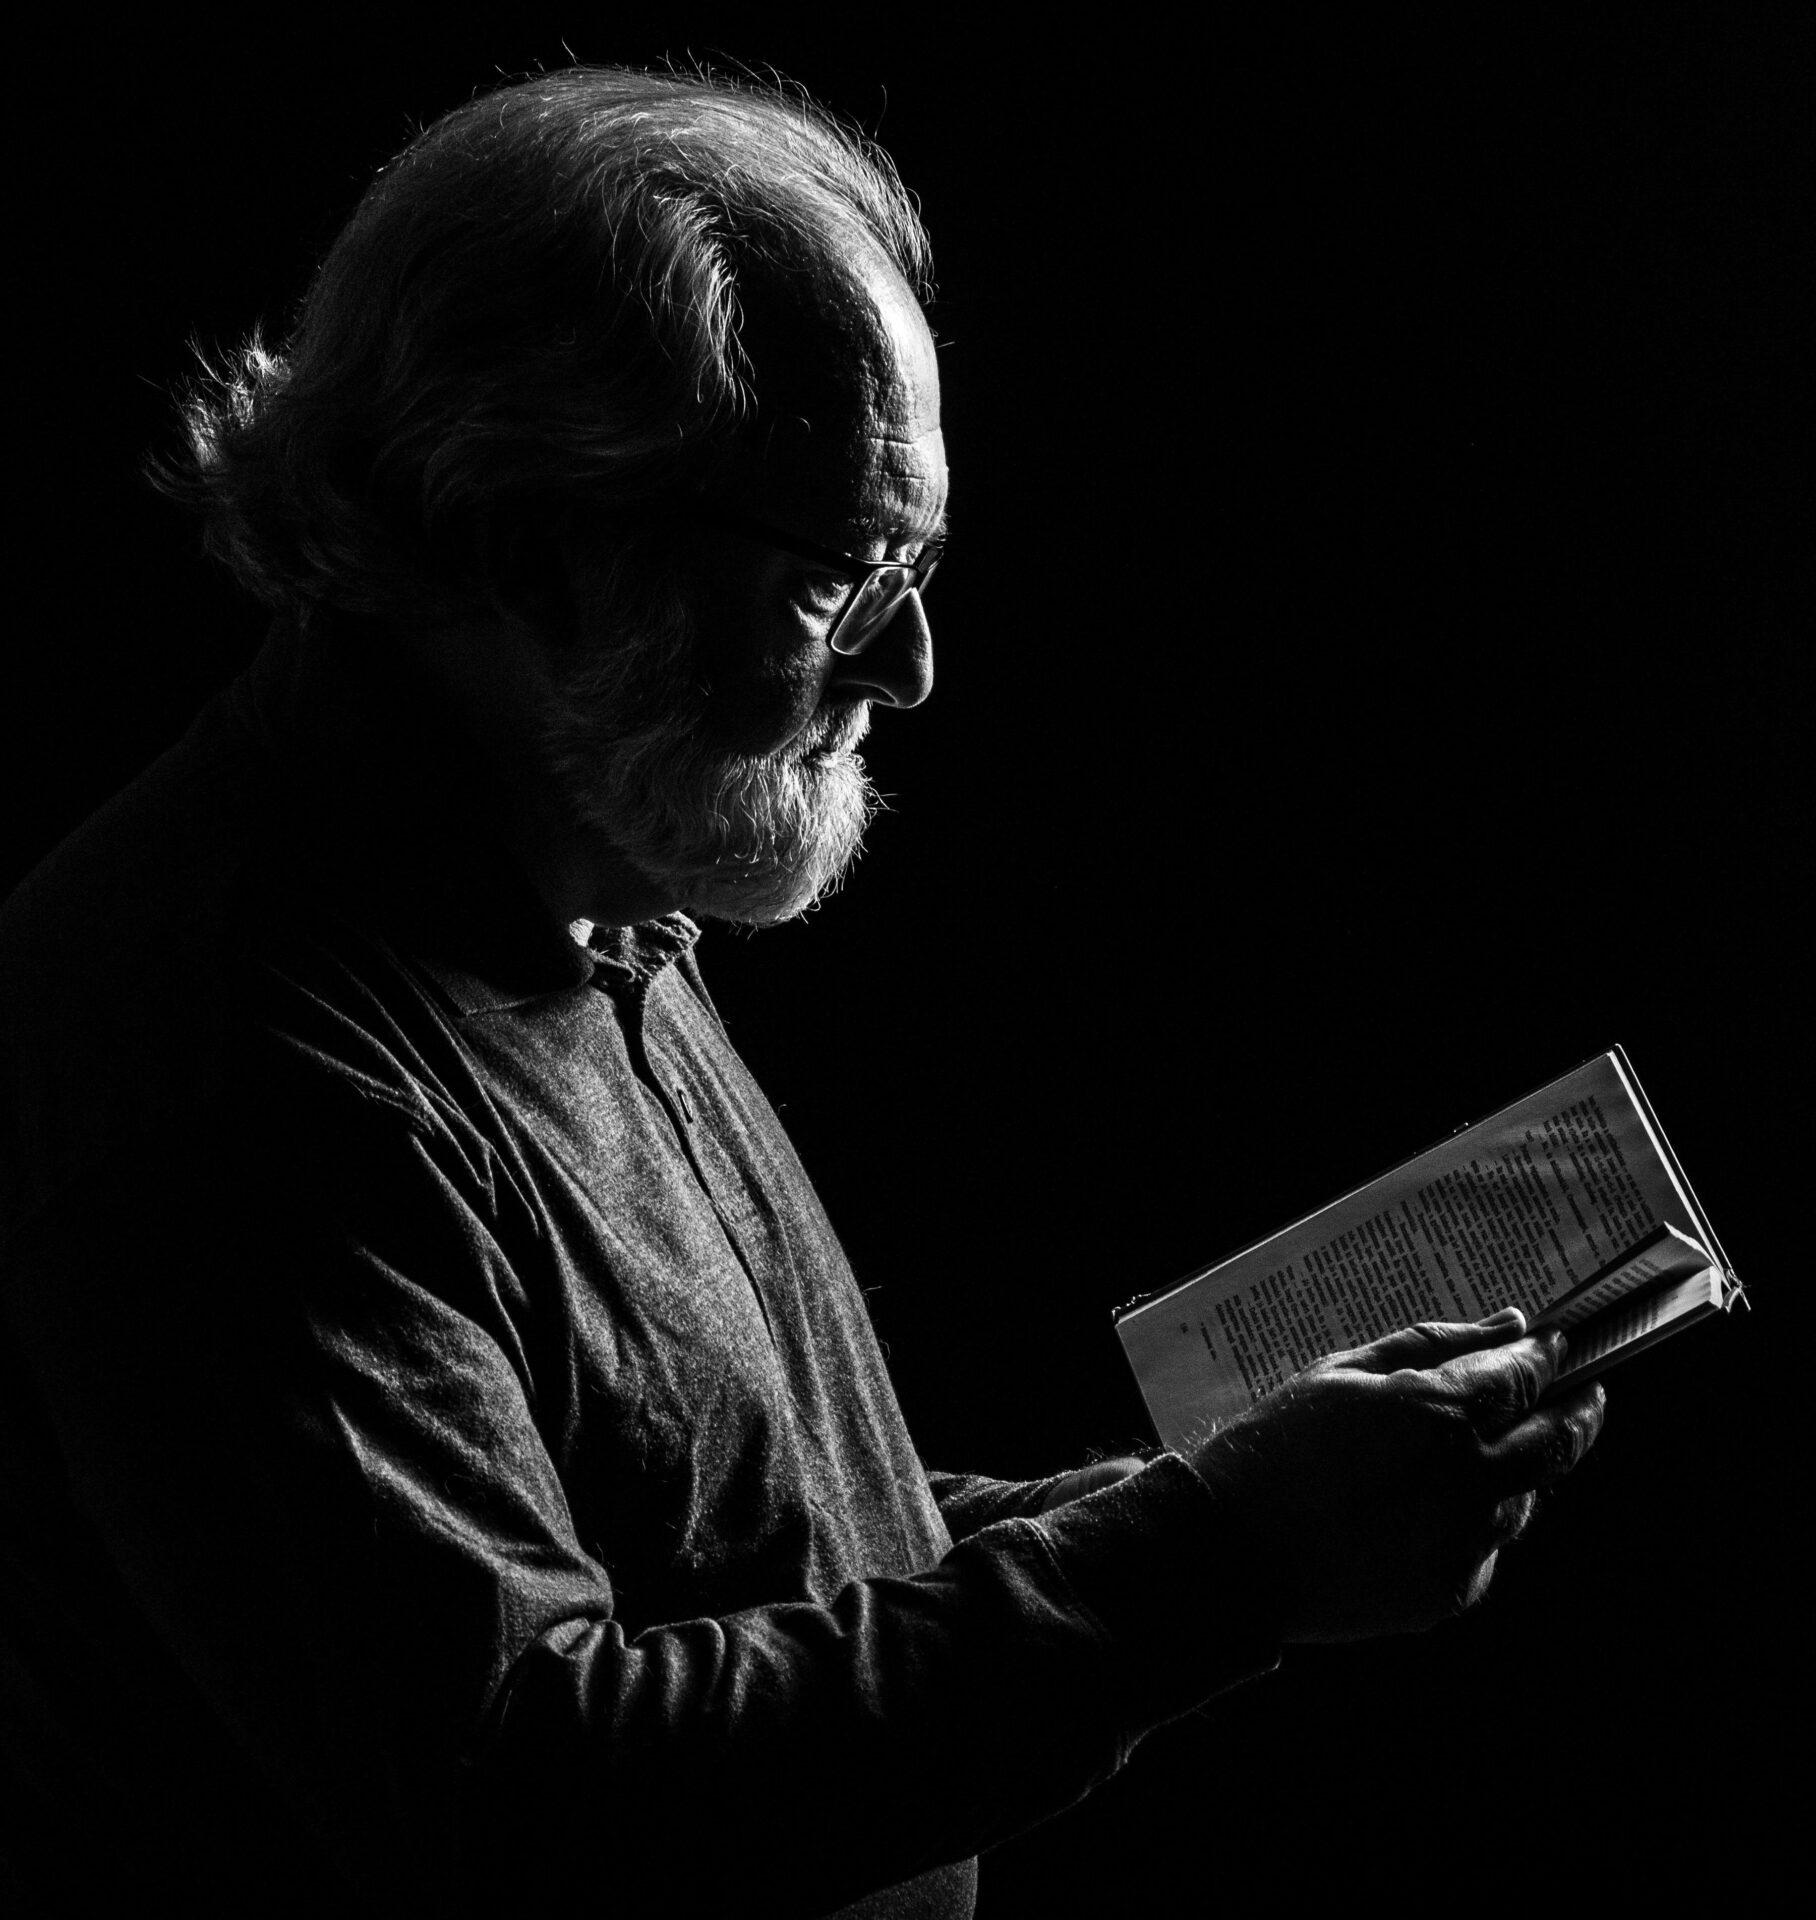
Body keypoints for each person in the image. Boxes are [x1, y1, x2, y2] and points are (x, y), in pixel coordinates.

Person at [0, 66, 1604, 1918]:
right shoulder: (231, 1051)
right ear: (530, 539)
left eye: (916, 565)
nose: (911, 666)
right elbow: (528, 1798)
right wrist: (1218, 1562)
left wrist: (1220, 1503)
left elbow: (749, 1553)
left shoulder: (586, 885)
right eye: (848, 574)